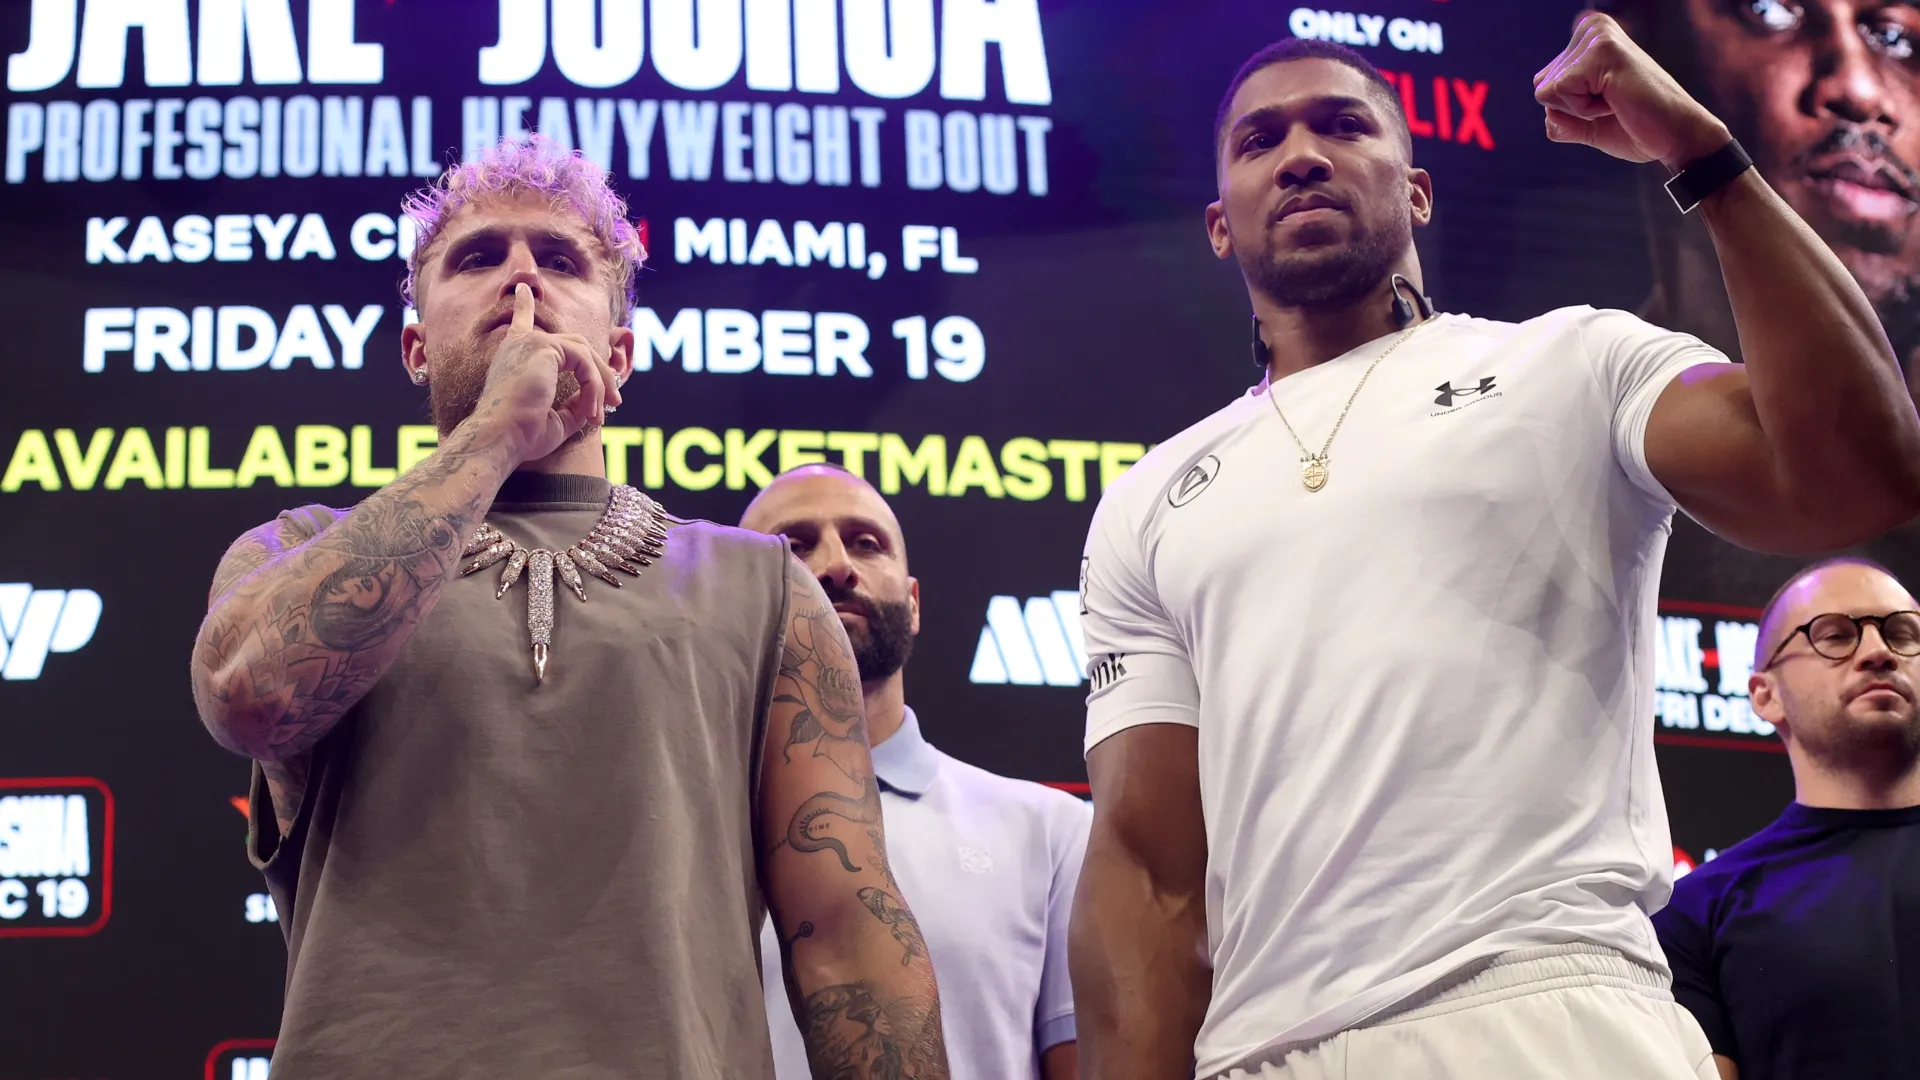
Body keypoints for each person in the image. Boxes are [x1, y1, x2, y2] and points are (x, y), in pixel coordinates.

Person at [1069, 18, 1920, 1080]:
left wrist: (1704, 157)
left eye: (1343, 126)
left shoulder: (1572, 363)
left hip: (1549, 1010)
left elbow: (1856, 473)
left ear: (1417, 191)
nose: (1301, 156)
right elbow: (1148, 872)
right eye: (1260, 142)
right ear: (1217, 225)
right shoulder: (1149, 500)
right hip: (1263, 1051)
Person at [187, 138, 949, 1080]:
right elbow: (249, 696)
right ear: (416, 349)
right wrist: (497, 431)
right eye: (477, 257)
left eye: (559, 259)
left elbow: (847, 931)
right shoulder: (299, 545)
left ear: (619, 355)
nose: (519, 280)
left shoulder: (764, 587)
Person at [741, 463, 1091, 1080]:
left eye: (866, 543)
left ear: (912, 601)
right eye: (794, 548)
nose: (835, 566)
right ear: (735, 609)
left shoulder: (1051, 832)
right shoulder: (684, 838)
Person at [1593, 0, 1920, 601]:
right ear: (1623, 43)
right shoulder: (1585, 419)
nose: (1857, 89)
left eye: (1896, 38)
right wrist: (1709, 162)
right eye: (1769, 11)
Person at [1654, 557, 1920, 1080]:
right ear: (1764, 695)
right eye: (1834, 635)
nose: (1878, 652)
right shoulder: (1696, 912)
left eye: (1903, 633)